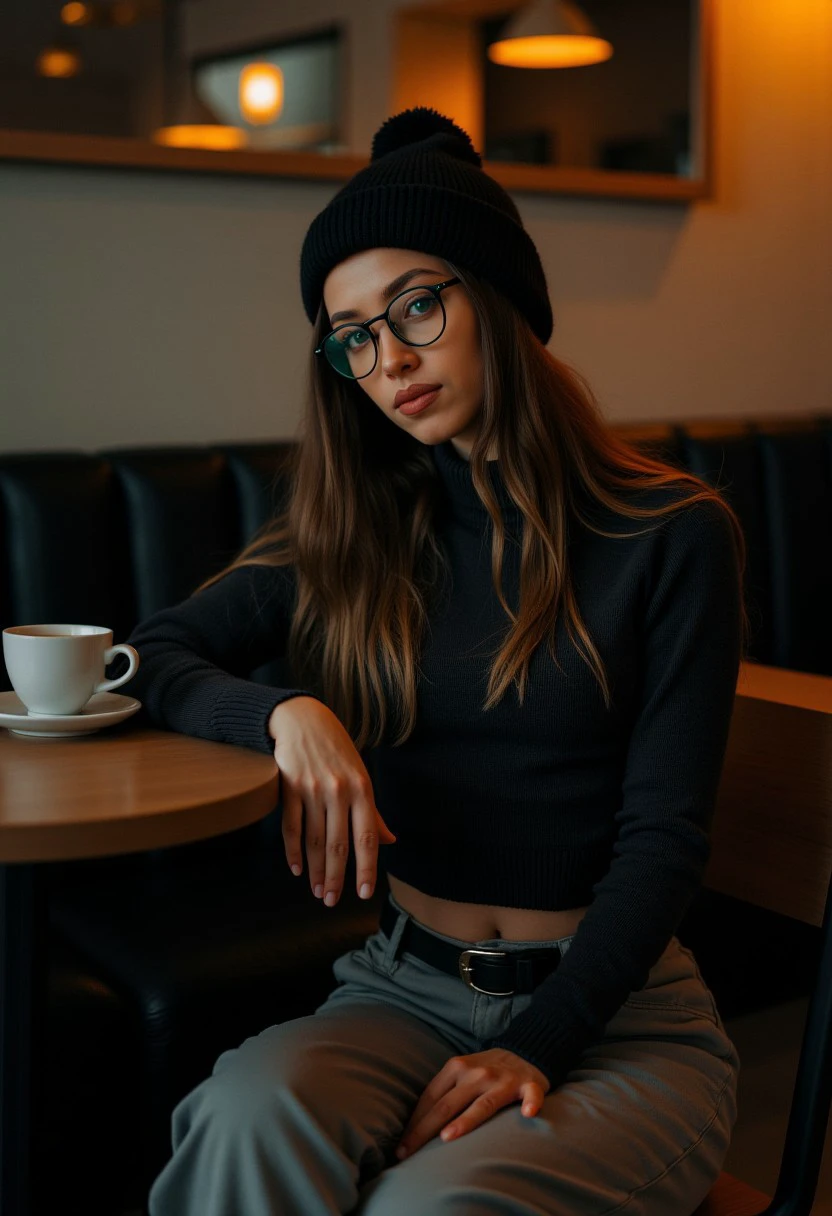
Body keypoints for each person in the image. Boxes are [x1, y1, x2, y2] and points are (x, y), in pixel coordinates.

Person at [126, 106, 750, 1216]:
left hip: (618, 1021)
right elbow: (151, 654)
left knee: (426, 1207)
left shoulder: (669, 533)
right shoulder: (354, 536)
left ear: (499, 296)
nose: (391, 358)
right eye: (352, 334)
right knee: (240, 1117)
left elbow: (664, 841)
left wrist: (541, 1045)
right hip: (401, 991)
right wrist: (284, 713)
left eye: (416, 303)